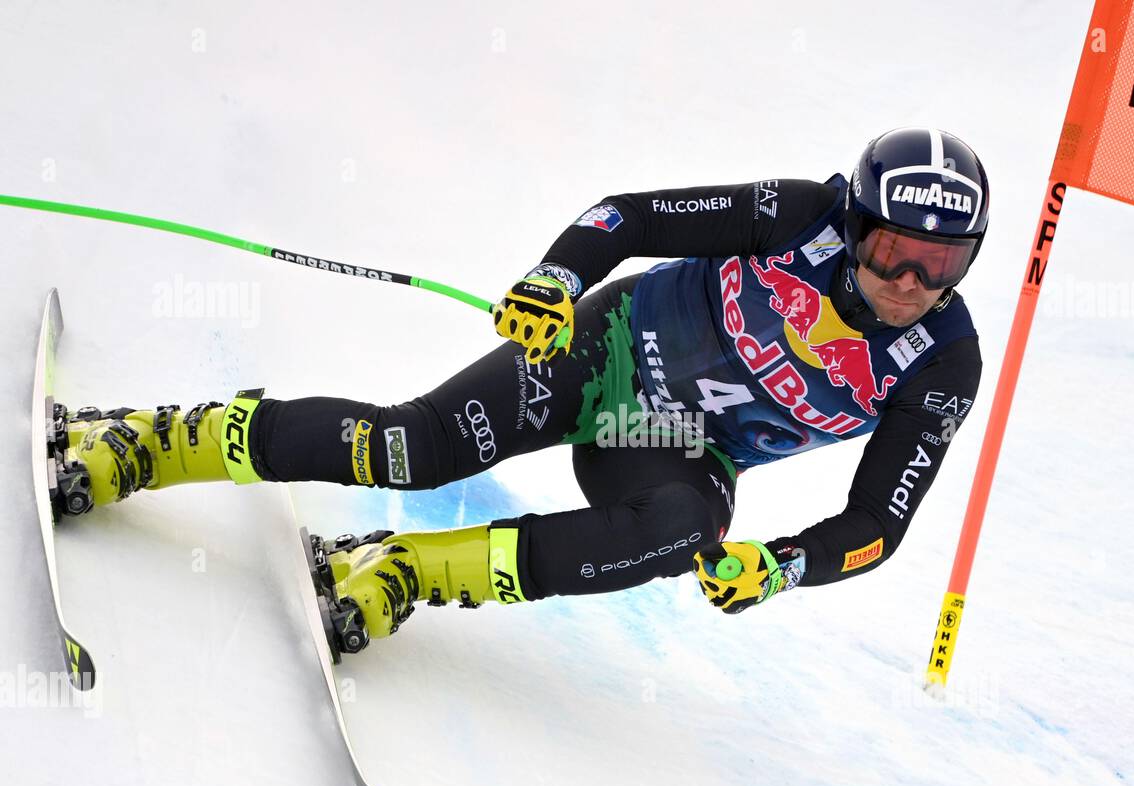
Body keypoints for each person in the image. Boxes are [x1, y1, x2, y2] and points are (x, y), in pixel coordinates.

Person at [57, 127, 988, 651]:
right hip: (607, 354)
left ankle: (402, 568)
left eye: (941, 263)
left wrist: (783, 566)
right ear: (860, 222)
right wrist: (558, 279)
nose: (911, 281)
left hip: (673, 447)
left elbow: (880, 527)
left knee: (688, 533)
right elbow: (626, 216)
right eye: (895, 249)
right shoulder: (799, 214)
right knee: (414, 447)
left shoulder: (941, 362)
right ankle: (158, 436)